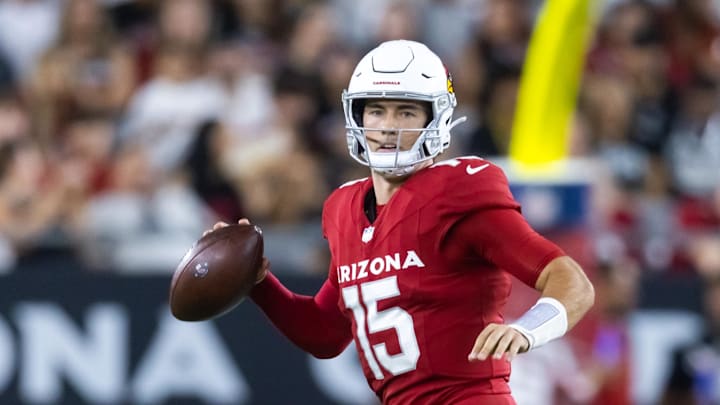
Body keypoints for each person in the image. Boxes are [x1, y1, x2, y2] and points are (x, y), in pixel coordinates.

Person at [208, 40, 595, 404]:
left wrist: (528, 329)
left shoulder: (459, 191)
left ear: (436, 118)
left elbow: (571, 281)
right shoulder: (344, 208)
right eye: (376, 110)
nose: (388, 125)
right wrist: (257, 283)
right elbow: (325, 333)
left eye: (406, 111)